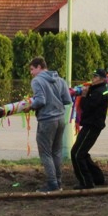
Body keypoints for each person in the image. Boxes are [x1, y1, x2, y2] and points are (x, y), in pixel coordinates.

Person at [29, 56, 73, 192]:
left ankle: (52, 183)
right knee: (57, 151)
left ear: (39, 67)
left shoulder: (37, 81)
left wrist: (30, 106)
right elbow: (67, 100)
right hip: (60, 119)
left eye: (32, 69)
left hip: (47, 120)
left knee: (45, 153)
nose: (31, 73)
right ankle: (58, 182)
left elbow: (40, 100)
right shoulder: (60, 80)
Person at [70, 69, 108, 189]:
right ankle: (98, 178)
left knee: (77, 154)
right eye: (93, 76)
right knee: (82, 153)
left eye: (95, 76)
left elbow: (87, 107)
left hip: (92, 125)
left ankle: (86, 182)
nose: (93, 78)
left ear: (102, 79)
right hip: (91, 124)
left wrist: (84, 95)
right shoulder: (98, 90)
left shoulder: (100, 92)